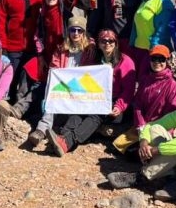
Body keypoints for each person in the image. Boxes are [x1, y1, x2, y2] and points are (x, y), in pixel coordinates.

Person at [106, 74, 176, 202]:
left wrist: (155, 150)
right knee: (155, 130)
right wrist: (143, 142)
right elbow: (151, 125)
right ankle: (173, 182)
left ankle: (141, 177)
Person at [46, 28, 136, 156]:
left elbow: (128, 91)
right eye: (103, 41)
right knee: (80, 111)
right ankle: (63, 137)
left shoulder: (125, 62)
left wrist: (119, 106)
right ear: (99, 44)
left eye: (111, 41)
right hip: (97, 97)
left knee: (96, 115)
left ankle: (68, 141)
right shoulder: (96, 61)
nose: (107, 44)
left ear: (116, 43)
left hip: (116, 104)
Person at [27, 16, 95, 146]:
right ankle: (41, 130)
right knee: (53, 93)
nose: (76, 33)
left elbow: (89, 72)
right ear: (68, 32)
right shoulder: (61, 49)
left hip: (79, 89)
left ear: (84, 33)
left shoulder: (89, 50)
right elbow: (54, 69)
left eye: (79, 30)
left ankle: (63, 137)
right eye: (73, 30)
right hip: (63, 86)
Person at [7, 0, 68, 123]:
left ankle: (22, 109)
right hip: (45, 54)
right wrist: (40, 56)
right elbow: (38, 36)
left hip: (61, 58)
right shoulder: (43, 15)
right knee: (28, 70)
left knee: (45, 83)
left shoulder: (65, 15)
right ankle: (18, 103)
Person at [111, 45, 176, 154]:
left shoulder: (171, 84)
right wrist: (140, 125)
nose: (157, 62)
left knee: (137, 151)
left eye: (161, 59)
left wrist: (164, 130)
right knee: (118, 146)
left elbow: (173, 113)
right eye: (154, 58)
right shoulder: (145, 79)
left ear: (167, 61)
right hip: (143, 126)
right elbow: (137, 105)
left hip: (160, 128)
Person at [0, 0, 43, 96]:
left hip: (33, 48)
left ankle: (24, 106)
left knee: (29, 81)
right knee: (11, 80)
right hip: (12, 47)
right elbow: (0, 23)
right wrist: (3, 47)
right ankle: (7, 103)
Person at [129, 0, 175, 70]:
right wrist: (132, 45)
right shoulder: (145, 0)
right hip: (138, 50)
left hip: (153, 52)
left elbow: (163, 30)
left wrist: (155, 51)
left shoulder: (163, 1)